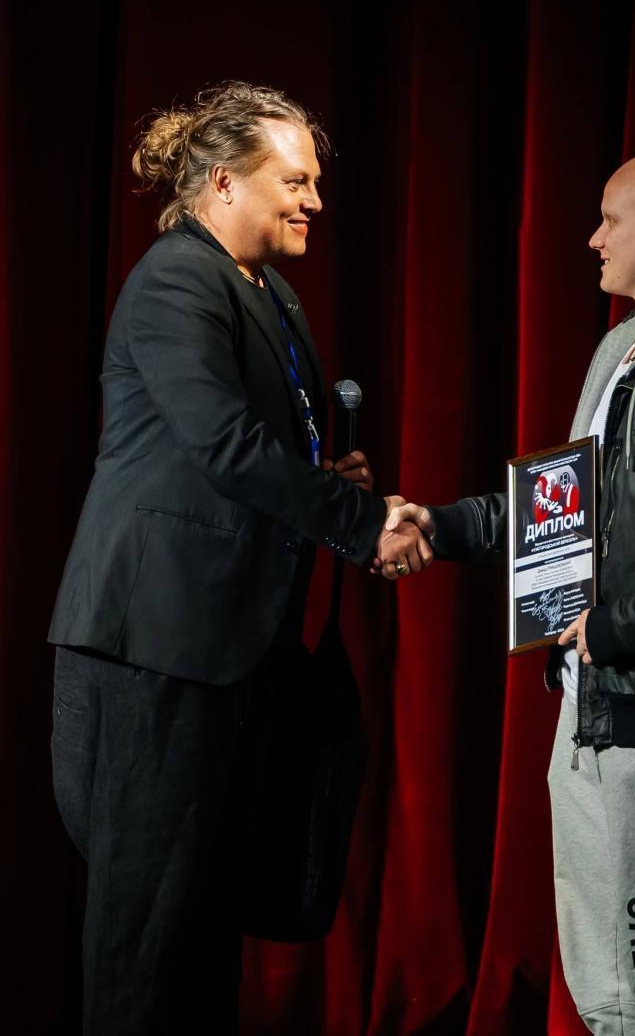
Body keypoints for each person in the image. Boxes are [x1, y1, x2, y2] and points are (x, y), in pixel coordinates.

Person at [48, 81, 431, 1035]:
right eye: (294, 181)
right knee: (144, 944)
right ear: (224, 181)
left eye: (315, 182)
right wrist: (357, 518)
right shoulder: (178, 280)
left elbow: (253, 452)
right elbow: (222, 442)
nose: (315, 201)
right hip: (157, 648)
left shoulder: (273, 292)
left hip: (233, 657)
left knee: (206, 934)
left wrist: (326, 474)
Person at [385, 148, 635, 1034]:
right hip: (590, 700)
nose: (594, 238)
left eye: (610, 218)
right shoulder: (620, 352)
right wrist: (440, 525)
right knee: (605, 984)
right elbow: (561, 510)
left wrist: (613, 630)